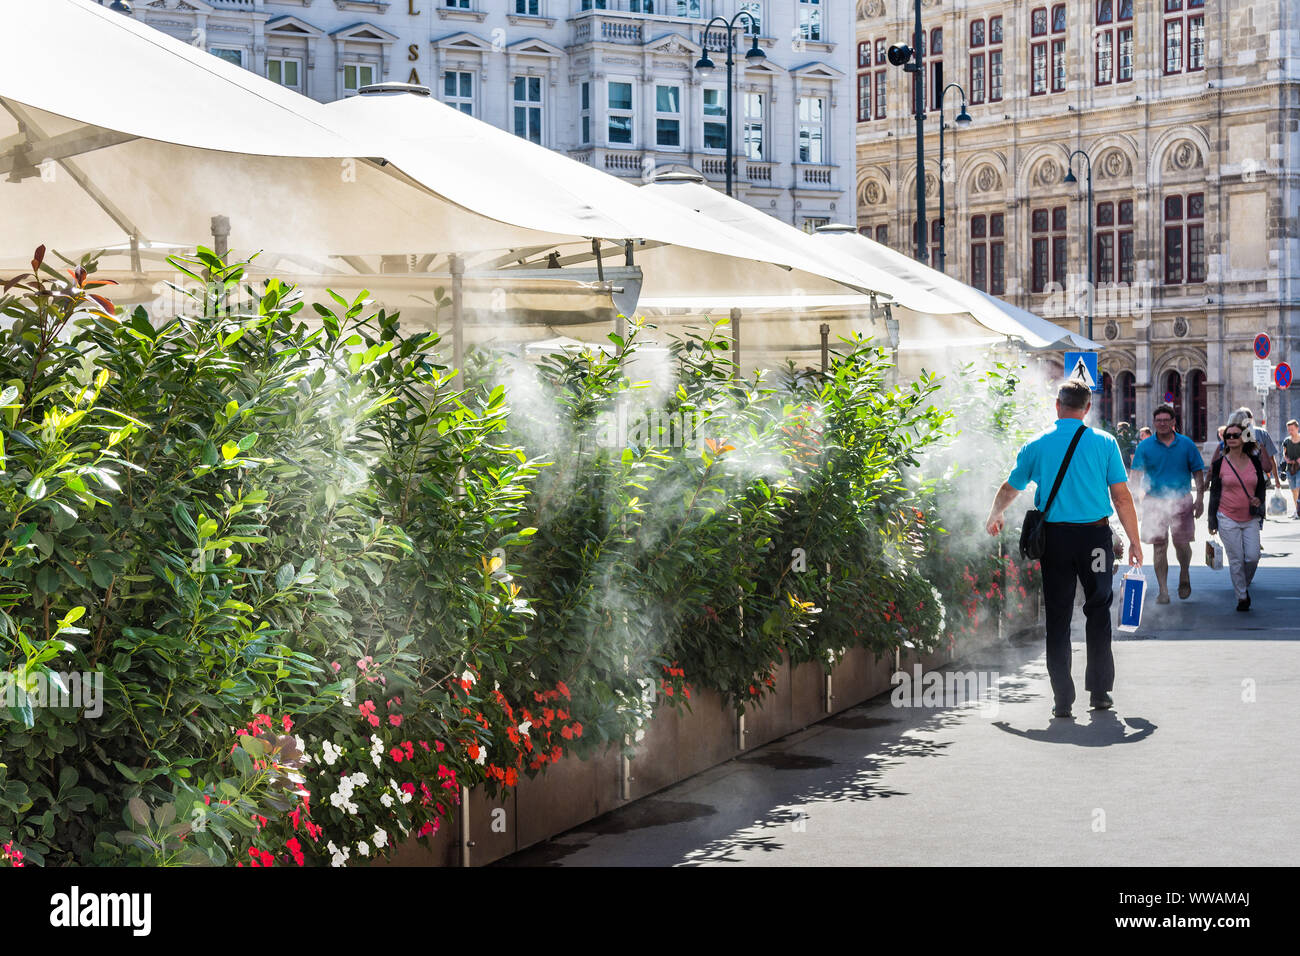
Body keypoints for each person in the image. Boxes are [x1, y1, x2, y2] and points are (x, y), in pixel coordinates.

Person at [985, 380, 1143, 719]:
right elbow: (1122, 496)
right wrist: (1134, 541)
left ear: (1057, 405)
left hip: (1055, 541)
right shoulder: (1104, 443)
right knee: (1098, 612)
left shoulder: (1037, 444)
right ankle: (1099, 693)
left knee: (1057, 618)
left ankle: (1062, 700)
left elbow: (1011, 487)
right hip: (1095, 539)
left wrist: (995, 513)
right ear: (1087, 409)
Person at [1128, 404, 1205, 604]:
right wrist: (1136, 503)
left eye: (1166, 420)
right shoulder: (1145, 446)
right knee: (1159, 546)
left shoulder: (1187, 444)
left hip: (1181, 501)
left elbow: (1197, 472)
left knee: (1182, 545)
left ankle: (1184, 573)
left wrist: (1200, 499)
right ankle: (1163, 590)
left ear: (1173, 422)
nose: (1162, 424)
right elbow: (1135, 476)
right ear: (1154, 423)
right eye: (1158, 420)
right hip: (1154, 502)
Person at [1207, 422, 1267, 611]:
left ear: (1244, 437)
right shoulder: (1220, 464)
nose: (1231, 438)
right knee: (1236, 558)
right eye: (1228, 436)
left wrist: (1259, 500)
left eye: (1235, 435)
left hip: (1250, 517)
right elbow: (1214, 492)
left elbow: (1261, 486)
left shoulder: (1254, 461)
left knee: (1253, 556)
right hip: (1226, 516)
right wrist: (1211, 520)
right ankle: (1241, 596)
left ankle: (1244, 582)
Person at [1212, 407, 1280, 488]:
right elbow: (1270, 462)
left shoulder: (1228, 436)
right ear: (1251, 419)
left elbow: (1216, 465)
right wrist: (1276, 480)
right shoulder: (1261, 433)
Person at [1283, 419, 1300, 518]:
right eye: (1289, 429)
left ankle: (1299, 510)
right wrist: (1287, 459)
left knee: (1299, 488)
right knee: (1293, 490)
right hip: (1290, 469)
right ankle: (1297, 511)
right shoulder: (1286, 441)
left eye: (1292, 429)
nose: (1290, 431)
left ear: (1297, 428)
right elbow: (1284, 453)